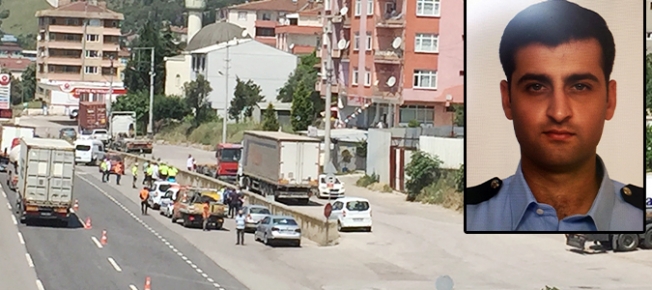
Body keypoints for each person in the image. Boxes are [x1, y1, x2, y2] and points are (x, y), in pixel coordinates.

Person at [465, 0, 644, 232]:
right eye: (537, 87)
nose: (559, 113)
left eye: (580, 87)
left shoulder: (642, 216)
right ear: (507, 99)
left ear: (610, 99)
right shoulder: (469, 215)